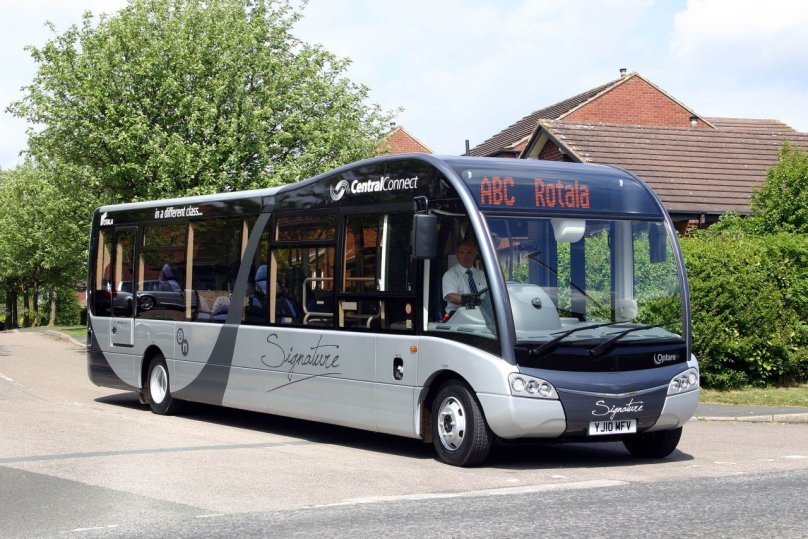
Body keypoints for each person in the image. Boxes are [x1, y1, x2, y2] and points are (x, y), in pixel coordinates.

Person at [442, 239, 487, 315]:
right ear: (457, 255)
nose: (465, 256)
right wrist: (473, 301)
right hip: (458, 314)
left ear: (474, 254)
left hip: (481, 313)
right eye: (462, 253)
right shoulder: (450, 274)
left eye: (469, 253)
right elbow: (451, 297)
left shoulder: (482, 275)